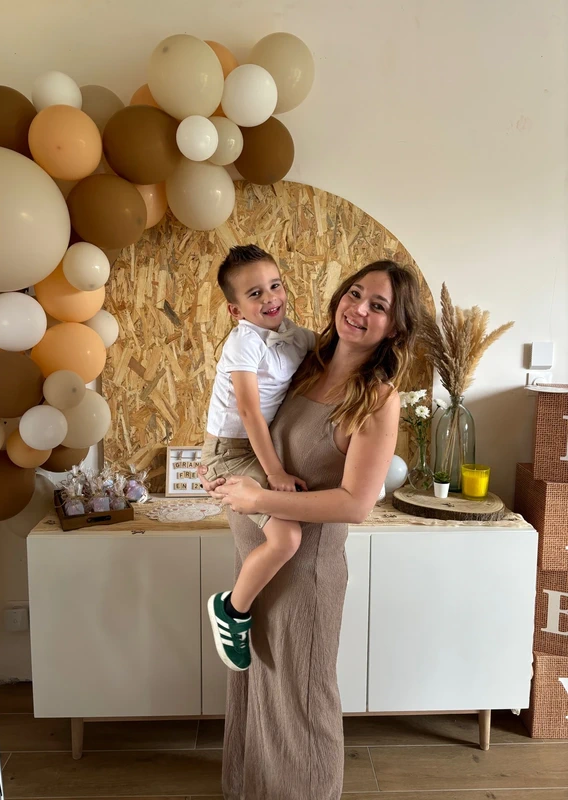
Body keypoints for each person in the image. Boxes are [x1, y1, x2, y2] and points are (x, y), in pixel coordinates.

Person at [199, 259, 422, 800]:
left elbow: (355, 504)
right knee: (258, 695)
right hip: (257, 568)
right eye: (355, 293)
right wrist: (221, 475)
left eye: (378, 306)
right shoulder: (305, 361)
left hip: (305, 579)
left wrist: (258, 497)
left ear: (394, 328)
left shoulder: (377, 399)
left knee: (300, 708)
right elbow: (244, 424)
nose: (359, 309)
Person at [202, 244, 316, 672]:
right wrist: (275, 472)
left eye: (275, 285)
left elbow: (331, 353)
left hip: (256, 447)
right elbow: (249, 412)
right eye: (255, 294)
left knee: (290, 534)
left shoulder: (294, 335)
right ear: (235, 311)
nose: (270, 298)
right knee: (287, 539)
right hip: (231, 452)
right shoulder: (244, 342)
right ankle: (232, 609)